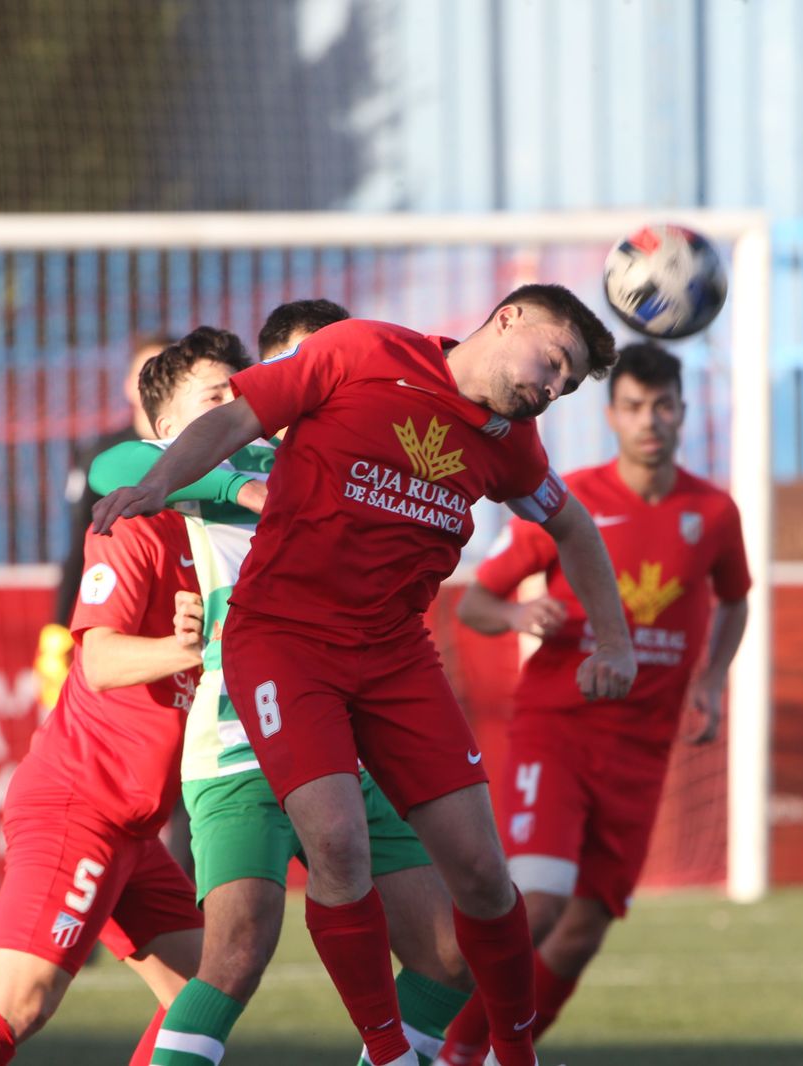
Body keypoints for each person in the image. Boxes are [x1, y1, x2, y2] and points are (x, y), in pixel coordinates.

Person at [93, 284, 635, 1066]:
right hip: (283, 646)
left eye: (569, 383)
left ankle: (513, 1051)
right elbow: (228, 420)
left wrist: (614, 642)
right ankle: (386, 1052)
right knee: (317, 869)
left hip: (393, 657)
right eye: (555, 360)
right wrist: (158, 484)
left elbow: (572, 524)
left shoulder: (510, 440)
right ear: (508, 317)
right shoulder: (365, 351)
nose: (553, 387)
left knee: (483, 877)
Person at [89, 304, 475, 1066]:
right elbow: (117, 467)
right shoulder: (224, 464)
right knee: (233, 956)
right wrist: (238, 490)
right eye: (216, 396)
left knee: (449, 957)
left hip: (349, 739)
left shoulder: (355, 460)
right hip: (241, 741)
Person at [0, 335, 261, 1066]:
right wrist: (191, 649)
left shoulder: (231, 528)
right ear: (162, 433)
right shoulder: (137, 519)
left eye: (244, 392)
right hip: (81, 803)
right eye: (215, 397)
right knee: (16, 1005)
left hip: (134, 829)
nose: (238, 408)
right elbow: (97, 660)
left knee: (202, 996)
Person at [436, 343, 752, 1065]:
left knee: (582, 933)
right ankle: (455, 1052)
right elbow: (478, 601)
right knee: (539, 905)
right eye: (635, 406)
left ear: (682, 412)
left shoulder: (715, 512)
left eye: (664, 406)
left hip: (643, 751)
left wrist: (710, 681)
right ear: (612, 415)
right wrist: (520, 618)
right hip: (559, 734)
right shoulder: (571, 499)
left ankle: (488, 1053)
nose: (650, 421)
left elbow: (735, 601)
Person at [34, 333, 172, 712]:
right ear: (129, 385)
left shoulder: (206, 454)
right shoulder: (102, 458)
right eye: (147, 372)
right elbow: (79, 545)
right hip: (120, 622)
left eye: (169, 371)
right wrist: (59, 628)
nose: (156, 382)